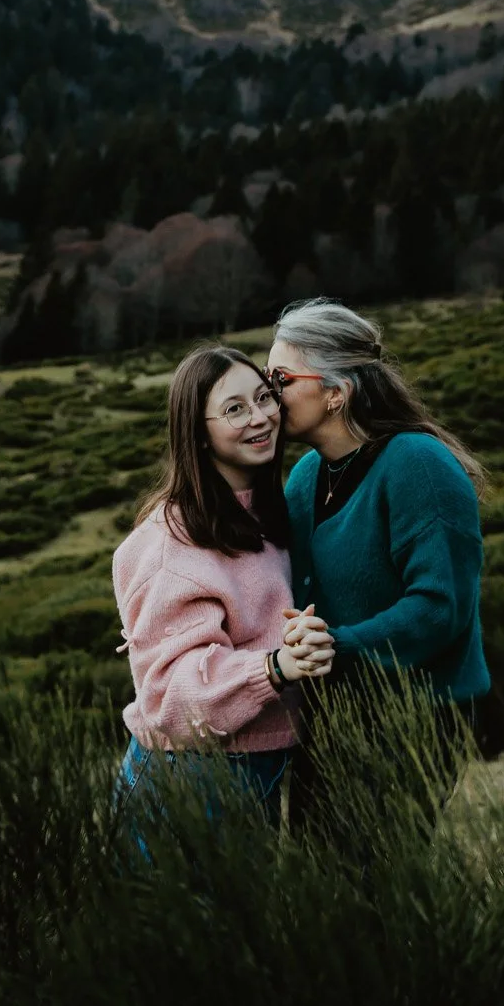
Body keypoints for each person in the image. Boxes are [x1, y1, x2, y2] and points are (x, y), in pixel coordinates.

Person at [264, 298, 488, 829]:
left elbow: (440, 607)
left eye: (281, 378)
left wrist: (339, 646)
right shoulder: (305, 477)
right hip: (331, 712)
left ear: (336, 393)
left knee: (371, 882)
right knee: (320, 879)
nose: (267, 394)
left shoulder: (418, 465)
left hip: (414, 715)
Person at [112, 345, 334, 828]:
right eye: (234, 409)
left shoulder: (265, 512)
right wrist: (276, 666)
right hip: (188, 776)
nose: (260, 418)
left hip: (255, 766)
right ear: (199, 433)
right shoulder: (173, 545)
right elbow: (168, 694)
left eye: (263, 398)